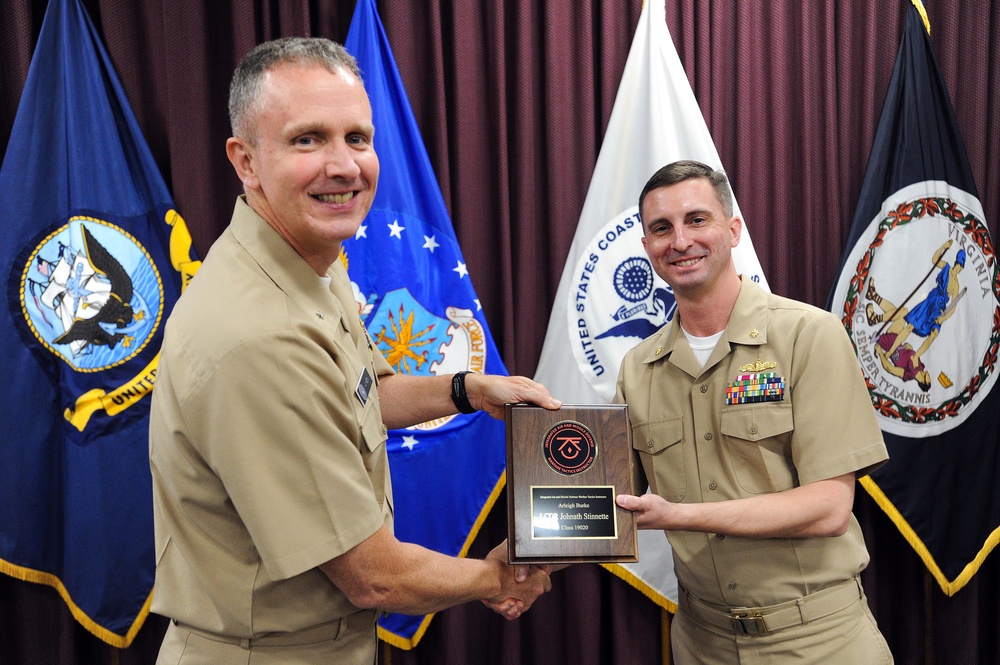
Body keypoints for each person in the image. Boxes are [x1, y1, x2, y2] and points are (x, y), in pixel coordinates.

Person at [149, 37, 560, 665]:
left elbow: (360, 395)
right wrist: (498, 578)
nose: (344, 166)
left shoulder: (308, 262)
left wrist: (467, 390)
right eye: (307, 139)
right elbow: (376, 578)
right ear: (246, 160)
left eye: (358, 138)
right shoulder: (261, 335)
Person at [613, 160, 893, 663]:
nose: (680, 241)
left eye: (697, 220)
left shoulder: (809, 336)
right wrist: (514, 565)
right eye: (661, 228)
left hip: (818, 640)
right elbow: (607, 507)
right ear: (647, 248)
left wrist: (679, 516)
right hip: (702, 642)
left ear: (733, 229)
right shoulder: (638, 369)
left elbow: (829, 507)